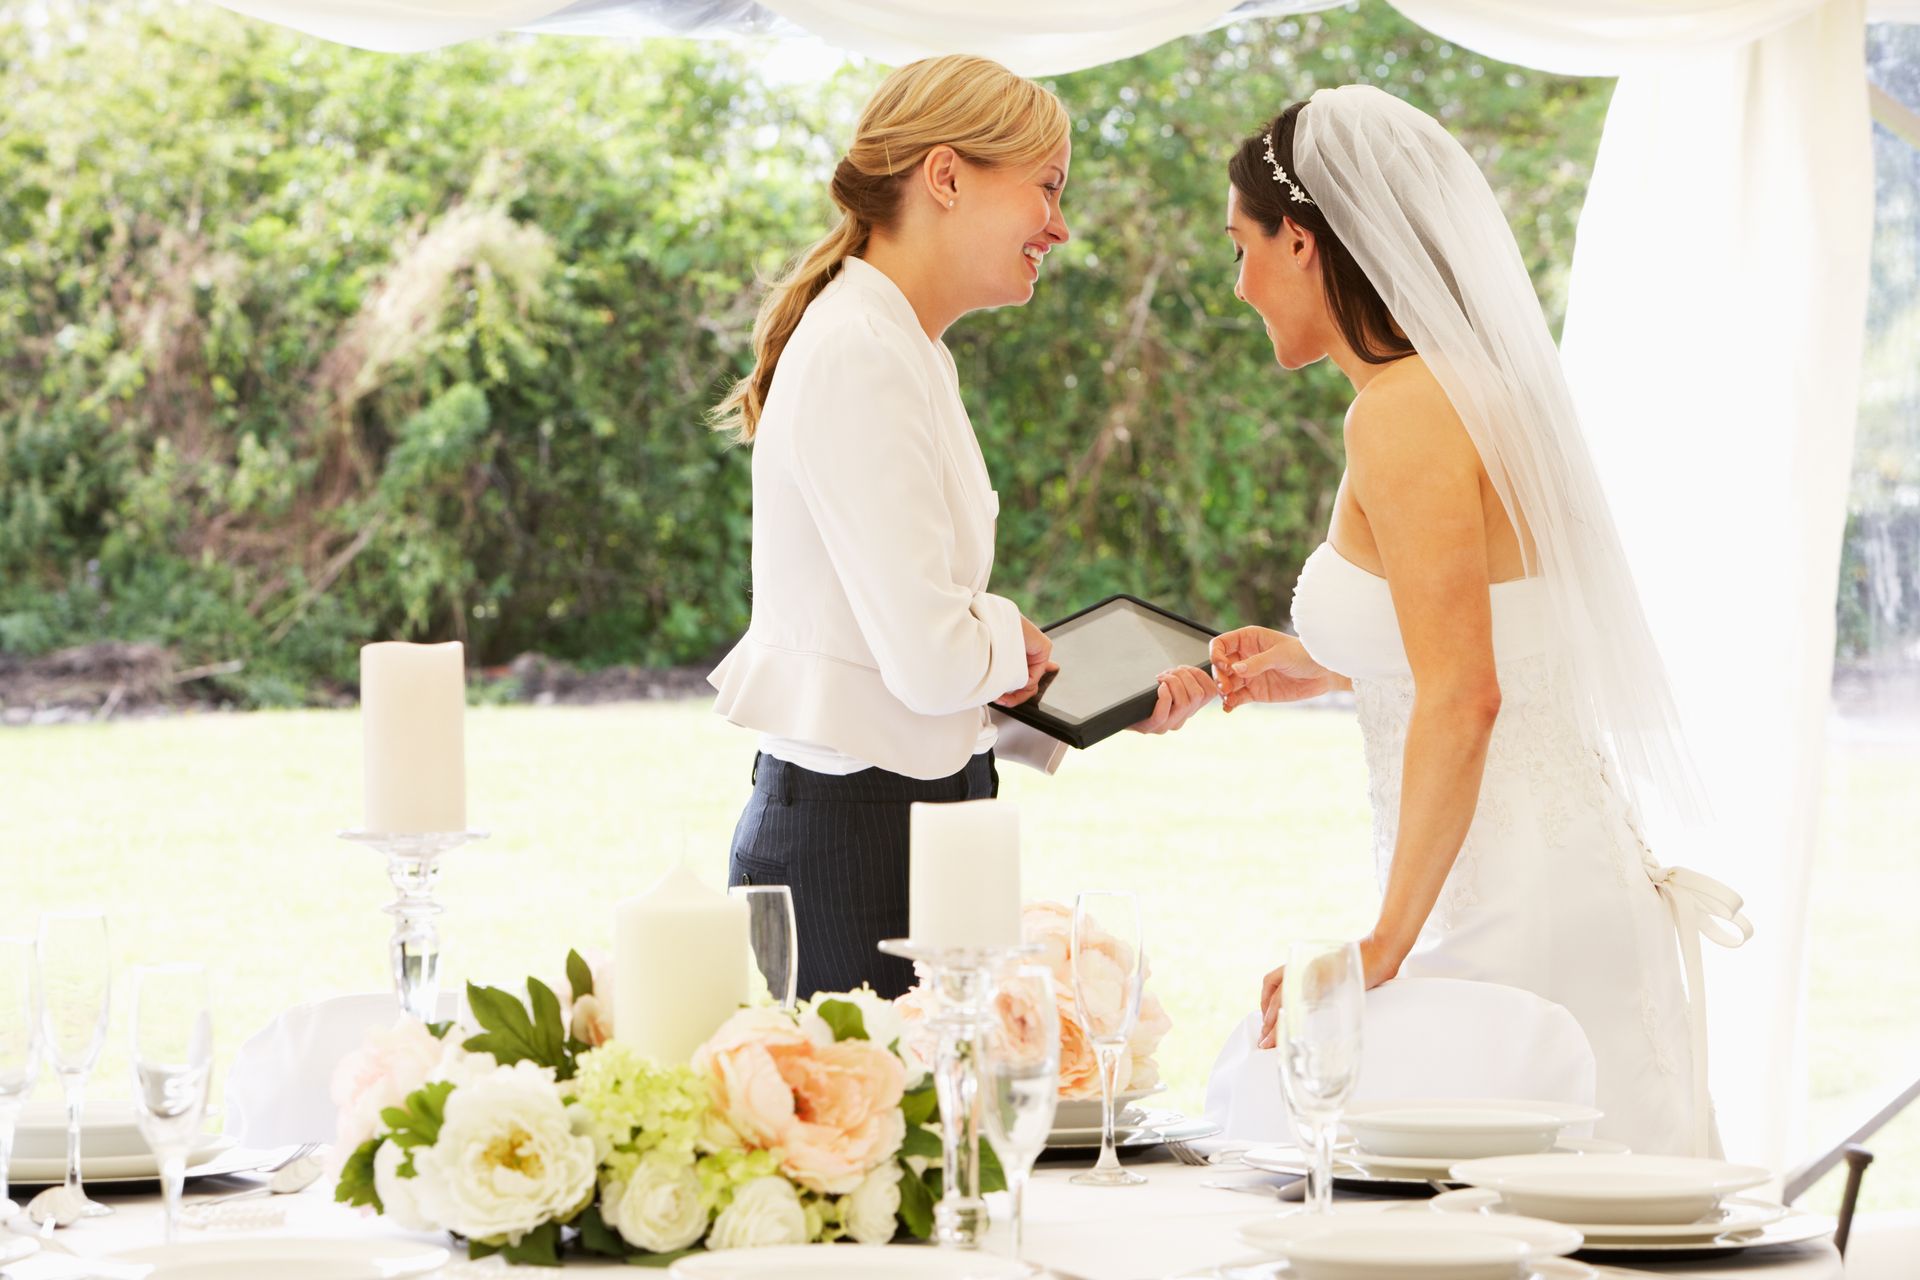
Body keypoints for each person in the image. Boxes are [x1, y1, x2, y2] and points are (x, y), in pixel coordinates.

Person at [1176, 87, 1749, 1156]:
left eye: (1240, 245)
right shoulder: (1476, 387)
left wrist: (1381, 943)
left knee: (1329, 1135)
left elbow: (1467, 692)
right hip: (1553, 872)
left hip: (1505, 906)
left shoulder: (1399, 412)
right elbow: (1492, 638)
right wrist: (1322, 662)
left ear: (1301, 241)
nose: (1238, 282)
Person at [706, 55, 1074, 1001]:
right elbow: (927, 657)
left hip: (902, 825)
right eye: (1047, 188)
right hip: (855, 847)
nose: (1060, 228)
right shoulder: (863, 351)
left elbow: (899, 659)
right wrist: (1008, 636)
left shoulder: (905, 348)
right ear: (946, 177)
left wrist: (1067, 697)